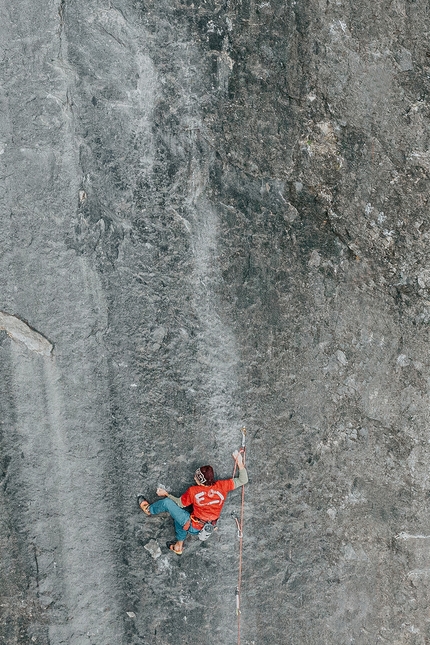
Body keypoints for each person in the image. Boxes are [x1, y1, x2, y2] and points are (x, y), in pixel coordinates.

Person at [138, 450, 248, 555]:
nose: (194, 478)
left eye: (197, 477)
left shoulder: (194, 491)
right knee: (179, 517)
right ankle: (178, 546)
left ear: (200, 481)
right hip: (207, 528)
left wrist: (166, 494)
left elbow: (179, 503)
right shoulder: (222, 486)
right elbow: (243, 480)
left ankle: (149, 510)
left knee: (167, 503)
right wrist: (239, 462)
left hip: (193, 525)